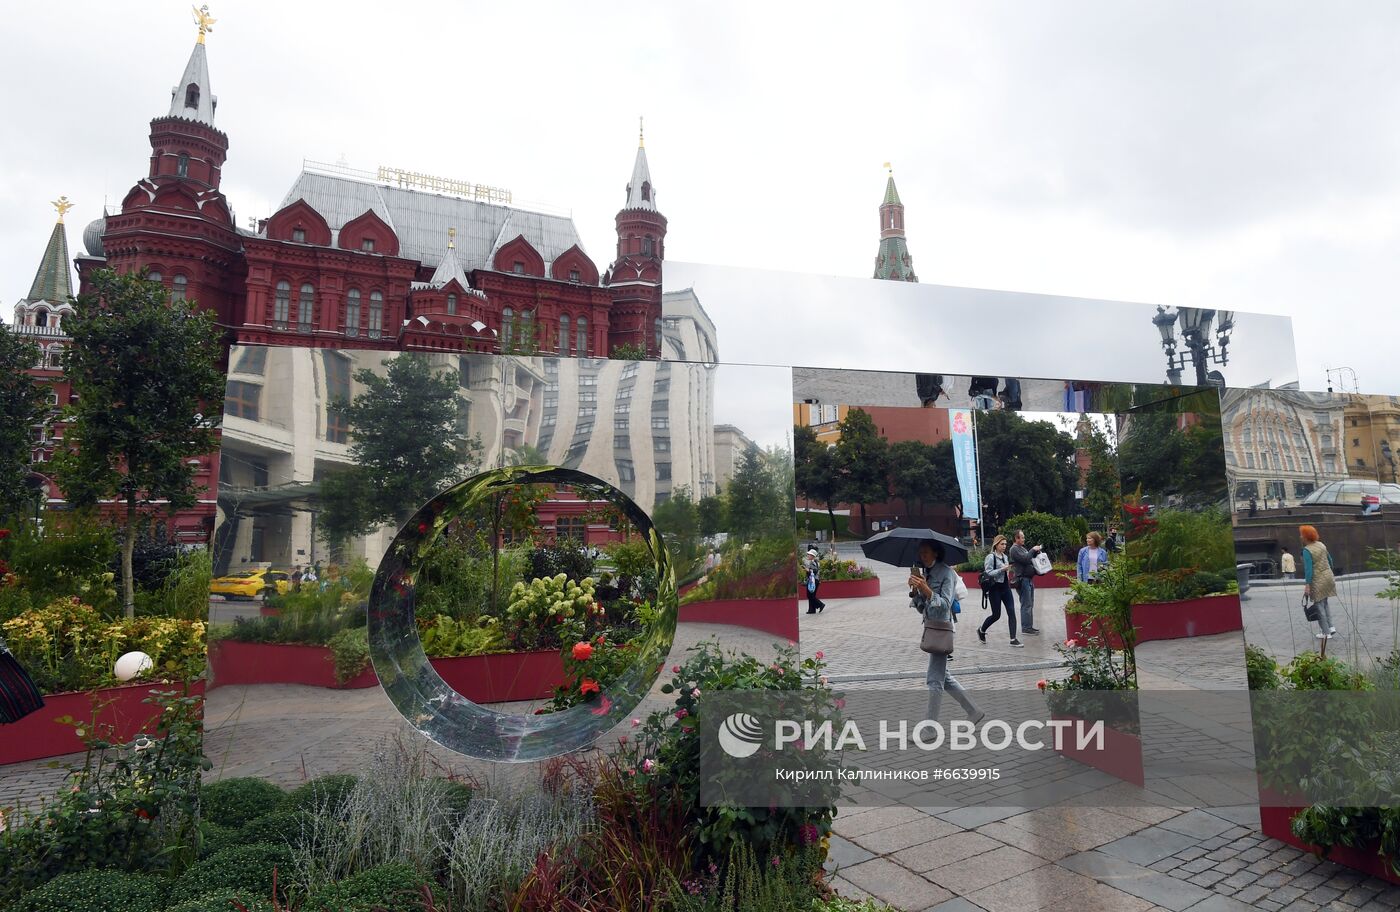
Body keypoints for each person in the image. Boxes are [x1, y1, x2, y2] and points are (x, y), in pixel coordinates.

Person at [909, 540, 983, 723]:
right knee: (944, 677)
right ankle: (973, 710)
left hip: (941, 629)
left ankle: (929, 727)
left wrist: (926, 590)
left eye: (925, 552)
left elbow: (944, 606)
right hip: (930, 626)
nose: (922, 556)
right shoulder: (926, 572)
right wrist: (915, 591)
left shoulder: (947, 573)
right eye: (920, 552)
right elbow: (922, 608)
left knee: (934, 680)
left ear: (935, 553)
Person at [978, 534, 1021, 647]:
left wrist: (1008, 571)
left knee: (1011, 612)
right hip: (994, 589)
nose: (1004, 546)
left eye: (1005, 544)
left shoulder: (1005, 557)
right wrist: (1002, 569)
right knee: (996, 615)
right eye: (1002, 544)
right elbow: (988, 572)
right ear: (996, 545)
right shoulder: (990, 557)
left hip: (1005, 588)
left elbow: (1006, 572)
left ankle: (1013, 639)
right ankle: (981, 630)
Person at [1300, 525, 1337, 639]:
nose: (1300, 536)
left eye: (1302, 534)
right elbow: (1330, 560)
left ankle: (1325, 633)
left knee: (1318, 605)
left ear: (1306, 537)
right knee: (1325, 603)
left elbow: (1308, 569)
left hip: (1317, 580)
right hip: (1328, 577)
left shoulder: (1307, 550)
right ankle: (1331, 627)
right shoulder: (1321, 545)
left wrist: (1307, 585)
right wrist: (1328, 572)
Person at [1008, 530, 1043, 635]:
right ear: (1016, 538)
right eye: (1022, 537)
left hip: (1028, 579)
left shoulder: (1021, 548)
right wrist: (1032, 550)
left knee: (1030, 604)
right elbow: (1026, 559)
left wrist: (1036, 552)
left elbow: (1030, 559)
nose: (1024, 539)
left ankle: (1029, 626)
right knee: (1026, 604)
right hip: (1022, 580)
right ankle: (1026, 628)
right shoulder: (1014, 549)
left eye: (1023, 537)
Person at [803, 548, 825, 615]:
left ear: (812, 556)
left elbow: (814, 571)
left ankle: (820, 605)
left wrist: (807, 570)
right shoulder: (816, 562)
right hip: (815, 580)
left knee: (810, 595)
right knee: (811, 595)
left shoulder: (813, 562)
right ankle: (812, 610)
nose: (808, 555)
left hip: (813, 581)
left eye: (809, 554)